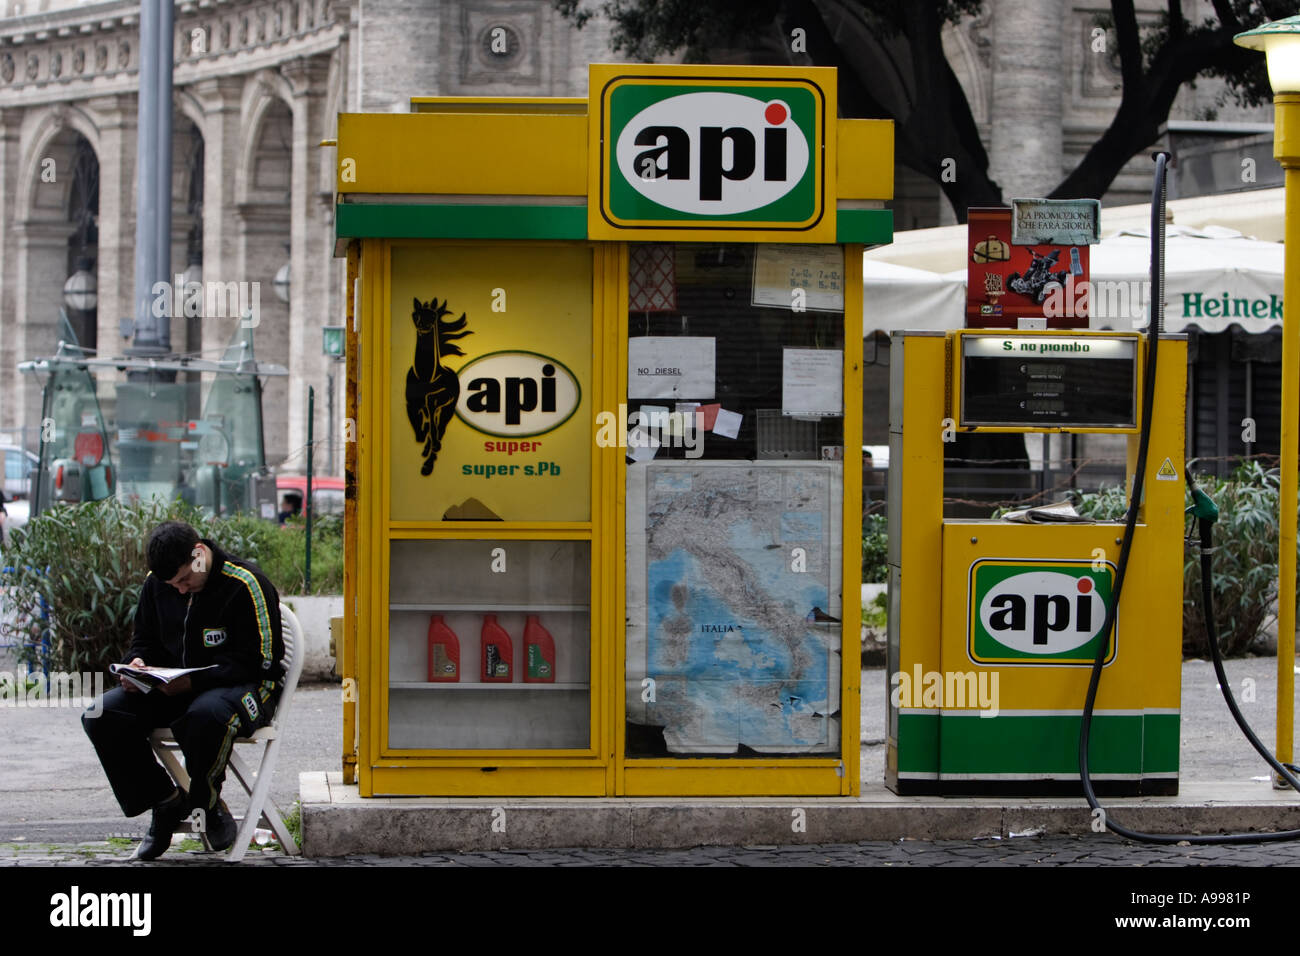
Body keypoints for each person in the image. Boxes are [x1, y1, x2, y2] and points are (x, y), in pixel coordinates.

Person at [82, 520, 284, 860]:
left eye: (185, 580)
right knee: (102, 715)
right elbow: (143, 640)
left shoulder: (246, 583)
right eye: (171, 584)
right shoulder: (158, 584)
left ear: (199, 554)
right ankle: (166, 802)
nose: (179, 589)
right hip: (176, 689)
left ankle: (206, 806)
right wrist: (137, 665)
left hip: (245, 689)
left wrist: (194, 681)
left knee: (205, 717)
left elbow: (263, 663)